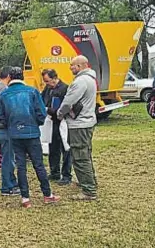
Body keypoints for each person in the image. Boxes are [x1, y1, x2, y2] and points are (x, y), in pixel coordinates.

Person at [0, 67, 61, 208]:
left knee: (21, 166)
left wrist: (11, 126)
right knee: (38, 165)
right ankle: (47, 194)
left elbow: (0, 117)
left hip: (14, 134)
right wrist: (36, 124)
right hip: (32, 132)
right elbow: (41, 112)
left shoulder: (3, 94)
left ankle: (25, 198)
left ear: (10, 77)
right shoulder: (32, 91)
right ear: (22, 76)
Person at [57, 55, 98, 201]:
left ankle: (88, 190)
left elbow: (68, 102)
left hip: (79, 124)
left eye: (72, 65)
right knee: (85, 154)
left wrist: (59, 113)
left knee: (80, 157)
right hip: (86, 122)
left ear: (80, 66)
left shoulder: (80, 81)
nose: (70, 68)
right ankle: (89, 181)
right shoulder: (90, 79)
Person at [0, 66, 18, 196]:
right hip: (4, 128)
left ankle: (11, 181)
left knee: (7, 156)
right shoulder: (4, 89)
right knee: (8, 158)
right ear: (10, 76)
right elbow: (7, 110)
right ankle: (8, 187)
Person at [40, 69, 72, 185]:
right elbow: (41, 99)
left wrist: (50, 110)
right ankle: (54, 172)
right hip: (50, 122)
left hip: (62, 122)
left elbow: (66, 107)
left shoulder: (65, 88)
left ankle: (67, 175)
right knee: (52, 146)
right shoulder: (48, 89)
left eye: (48, 81)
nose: (46, 84)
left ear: (55, 78)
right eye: (45, 81)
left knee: (65, 148)